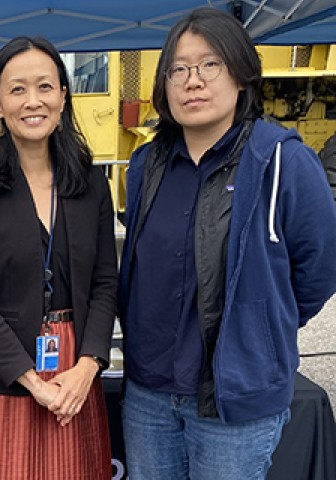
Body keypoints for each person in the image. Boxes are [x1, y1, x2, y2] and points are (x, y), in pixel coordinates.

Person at [118, 8, 336, 480]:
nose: (192, 81)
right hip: (149, 395)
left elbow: (318, 268)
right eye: (178, 69)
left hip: (234, 404)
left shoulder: (283, 161)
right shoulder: (145, 166)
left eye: (210, 64)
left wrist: (258, 327)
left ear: (241, 74)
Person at [0, 36, 117, 479]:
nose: (33, 101)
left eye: (45, 87)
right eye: (17, 89)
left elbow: (105, 284)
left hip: (75, 380)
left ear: (63, 96)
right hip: (5, 376)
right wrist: (32, 383)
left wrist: (87, 367)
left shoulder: (91, 184)